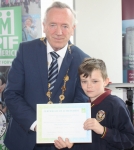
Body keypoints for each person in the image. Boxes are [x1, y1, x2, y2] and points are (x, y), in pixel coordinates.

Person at [3, 1, 89, 150]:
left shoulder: (83, 60)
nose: (59, 32)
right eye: (53, 25)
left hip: (61, 143)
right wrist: (37, 125)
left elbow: (80, 103)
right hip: (23, 139)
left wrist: (70, 135)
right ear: (43, 26)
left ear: (73, 29)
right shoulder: (25, 51)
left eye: (65, 26)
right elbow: (11, 94)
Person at [78, 58, 134, 150]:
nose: (89, 86)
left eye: (94, 81)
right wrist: (70, 145)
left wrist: (103, 131)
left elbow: (129, 140)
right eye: (84, 81)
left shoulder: (116, 105)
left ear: (106, 81)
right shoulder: (82, 107)